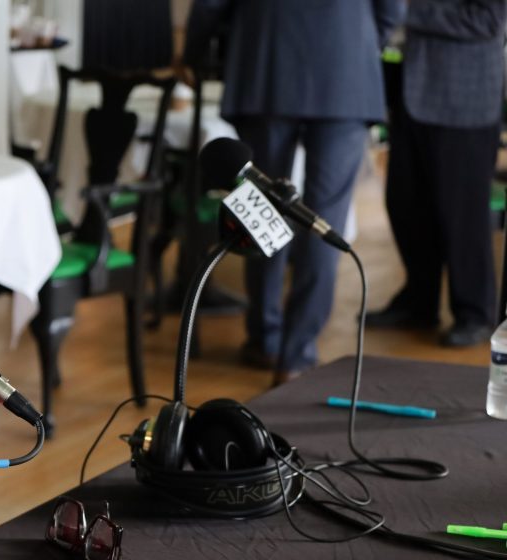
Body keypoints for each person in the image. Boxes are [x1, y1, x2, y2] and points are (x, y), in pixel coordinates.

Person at [183, 0, 404, 385]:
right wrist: (358, 37)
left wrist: (192, 53)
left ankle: (265, 338)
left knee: (261, 206)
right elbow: (392, 10)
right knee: (324, 216)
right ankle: (296, 355)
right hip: (344, 63)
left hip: (268, 58)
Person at [367, 0, 507, 347]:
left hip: (465, 101)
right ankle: (418, 302)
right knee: (405, 203)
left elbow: (487, 20)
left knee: (464, 216)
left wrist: (406, 11)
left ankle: (474, 312)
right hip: (410, 93)